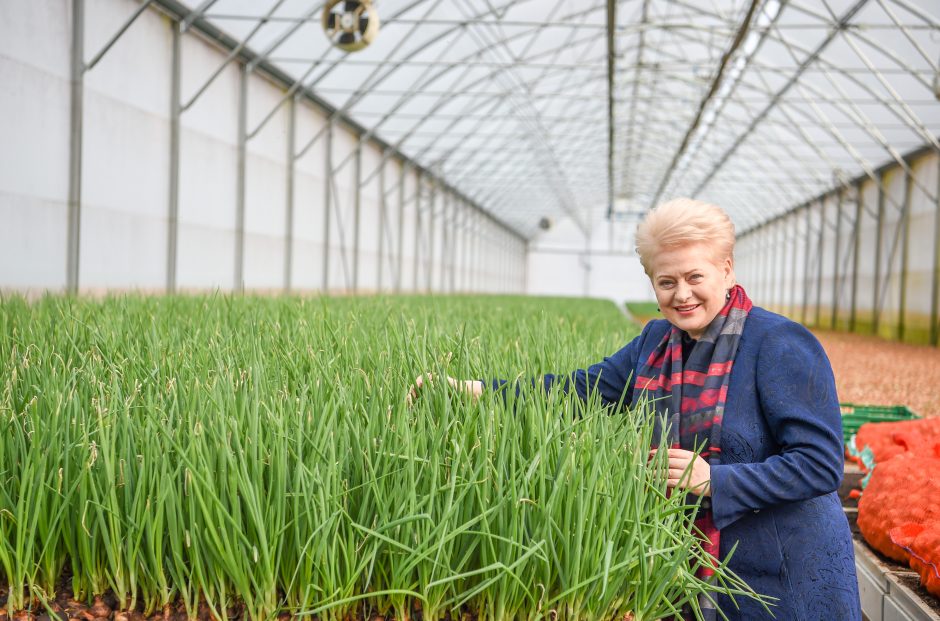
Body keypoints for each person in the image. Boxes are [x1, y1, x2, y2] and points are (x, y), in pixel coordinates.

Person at [411, 198, 861, 620]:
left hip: (783, 578)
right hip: (683, 570)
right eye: (666, 282)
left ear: (726, 270)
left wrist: (714, 480)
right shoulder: (655, 342)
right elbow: (577, 392)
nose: (681, 293)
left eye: (695, 277)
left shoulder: (779, 343)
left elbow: (821, 466)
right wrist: (468, 390)